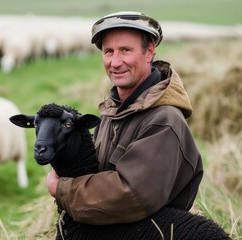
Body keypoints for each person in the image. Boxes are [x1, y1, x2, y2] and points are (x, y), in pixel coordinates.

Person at [46, 11, 203, 225]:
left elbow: (131, 195)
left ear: (149, 52)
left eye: (125, 50)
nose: (115, 62)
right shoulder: (111, 112)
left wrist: (61, 189)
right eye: (108, 51)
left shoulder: (164, 120)